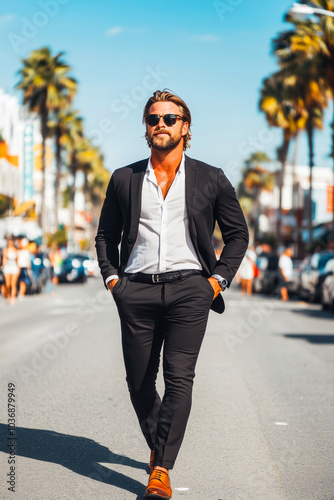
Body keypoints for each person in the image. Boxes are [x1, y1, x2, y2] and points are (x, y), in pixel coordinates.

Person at [95, 90, 249, 499]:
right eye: (153, 118)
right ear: (145, 128)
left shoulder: (211, 177)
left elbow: (237, 235)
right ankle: (158, 443)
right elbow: (106, 236)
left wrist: (216, 281)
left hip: (190, 291)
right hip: (136, 292)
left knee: (179, 379)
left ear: (186, 127)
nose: (160, 123)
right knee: (139, 383)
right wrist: (114, 281)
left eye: (169, 117)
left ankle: (161, 468)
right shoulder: (124, 178)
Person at [2, 236, 20, 305]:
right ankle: (9, 296)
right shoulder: (6, 249)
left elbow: (17, 260)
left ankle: (13, 297)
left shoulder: (16, 249)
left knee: (13, 284)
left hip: (14, 267)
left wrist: (18, 269)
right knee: (8, 284)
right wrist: (2, 266)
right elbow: (4, 259)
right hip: (7, 267)